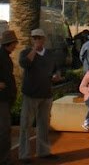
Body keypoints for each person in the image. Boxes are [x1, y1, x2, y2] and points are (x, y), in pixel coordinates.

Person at [19, 28, 62, 162]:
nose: (37, 40)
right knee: (26, 125)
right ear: (32, 39)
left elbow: (56, 69)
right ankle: (24, 154)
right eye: (34, 38)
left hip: (46, 94)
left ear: (44, 39)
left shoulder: (50, 54)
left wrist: (57, 75)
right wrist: (34, 50)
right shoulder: (26, 52)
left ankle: (43, 151)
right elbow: (24, 64)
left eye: (39, 38)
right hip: (30, 95)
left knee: (43, 125)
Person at [0, 30, 18, 165]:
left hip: (6, 98)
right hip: (2, 99)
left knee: (5, 131)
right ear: (9, 43)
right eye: (14, 43)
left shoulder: (5, 56)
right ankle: (4, 160)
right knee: (4, 131)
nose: (16, 46)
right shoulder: (1, 56)